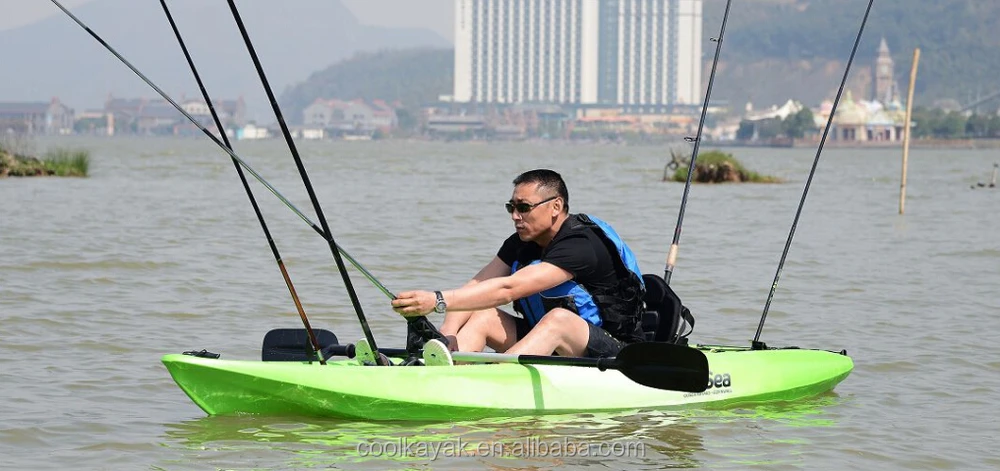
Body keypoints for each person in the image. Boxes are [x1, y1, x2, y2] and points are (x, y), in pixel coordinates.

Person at [390, 169, 647, 359]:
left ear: (556, 206)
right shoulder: (520, 242)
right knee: (482, 314)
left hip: (616, 352)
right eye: (511, 207)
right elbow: (478, 285)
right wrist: (448, 333)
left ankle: (494, 382)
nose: (515, 216)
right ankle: (445, 368)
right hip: (549, 343)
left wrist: (436, 300)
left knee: (559, 318)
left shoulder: (581, 245)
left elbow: (508, 289)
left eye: (524, 207)